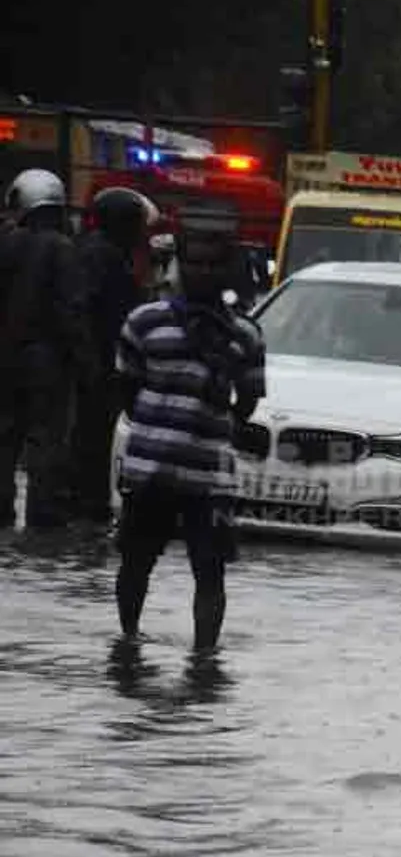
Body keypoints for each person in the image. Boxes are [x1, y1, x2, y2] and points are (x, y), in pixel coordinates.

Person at [113, 212, 266, 650]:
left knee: (210, 569)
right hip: (149, 470)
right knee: (135, 563)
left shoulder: (246, 337)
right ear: (180, 263)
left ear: (227, 269)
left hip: (210, 478)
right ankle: (128, 642)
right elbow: (127, 388)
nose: (204, 272)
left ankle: (204, 658)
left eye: (214, 265)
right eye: (195, 262)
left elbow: (248, 401)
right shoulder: (143, 322)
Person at [0, 168, 91, 529]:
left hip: (7, 358)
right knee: (46, 438)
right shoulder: (62, 248)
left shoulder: (6, 243)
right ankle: (42, 514)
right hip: (48, 362)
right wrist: (87, 363)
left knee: (6, 436)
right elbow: (71, 310)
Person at [69, 187, 158, 523]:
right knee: (93, 437)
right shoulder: (99, 256)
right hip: (97, 366)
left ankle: (90, 502)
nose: (140, 233)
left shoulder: (107, 253)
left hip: (103, 364)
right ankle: (87, 504)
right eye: (136, 225)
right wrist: (92, 362)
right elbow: (92, 311)